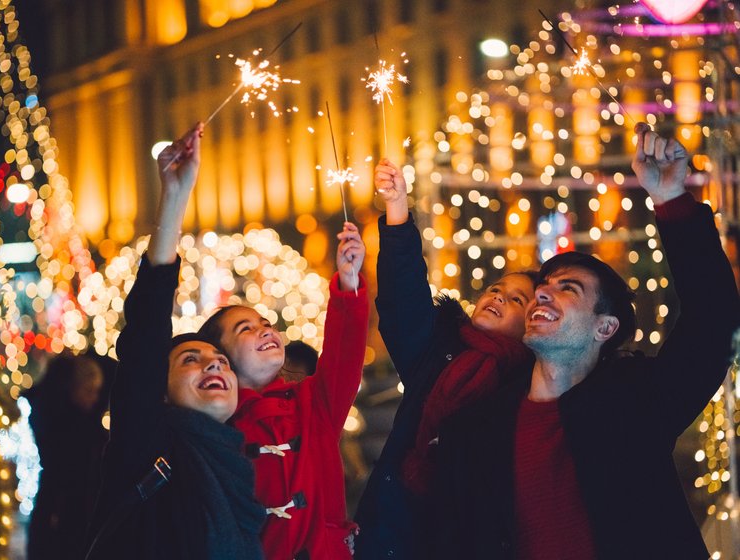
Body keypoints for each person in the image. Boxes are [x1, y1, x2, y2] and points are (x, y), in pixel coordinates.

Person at [431, 124, 740, 559]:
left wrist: (671, 200)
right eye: (544, 285)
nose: (542, 292)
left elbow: (714, 320)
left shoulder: (637, 401)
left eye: (568, 289)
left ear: (605, 328)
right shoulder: (478, 427)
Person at [86, 123, 265, 560]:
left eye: (221, 361)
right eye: (192, 358)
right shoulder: (146, 444)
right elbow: (146, 332)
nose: (215, 365)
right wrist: (175, 196)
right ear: (159, 391)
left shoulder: (240, 467)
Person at [354, 159, 537, 558]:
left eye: (516, 300)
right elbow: (404, 299)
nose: (498, 298)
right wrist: (398, 211)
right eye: (495, 288)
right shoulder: (439, 350)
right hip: (394, 532)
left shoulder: (529, 381)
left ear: (532, 323)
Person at [198, 224, 369, 559]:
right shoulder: (216, 427)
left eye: (266, 324)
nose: (264, 330)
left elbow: (344, 354)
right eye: (246, 328)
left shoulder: (312, 403)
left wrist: (348, 284)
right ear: (222, 358)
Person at [25, 353, 107, 560]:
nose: (95, 398)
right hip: (62, 513)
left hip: (65, 510)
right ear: (73, 388)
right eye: (89, 391)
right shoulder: (70, 427)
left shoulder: (79, 422)